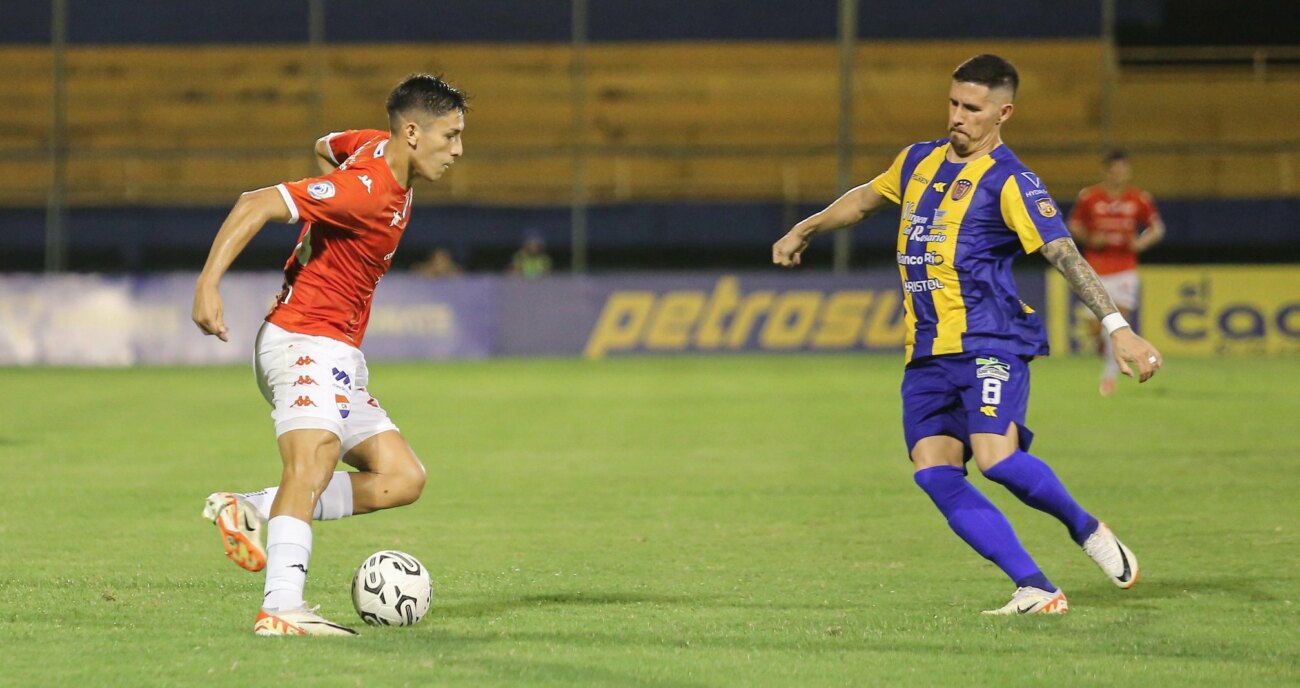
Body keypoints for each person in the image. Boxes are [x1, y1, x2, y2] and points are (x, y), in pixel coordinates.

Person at [772, 55, 1163, 615]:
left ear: (1002, 113)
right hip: (926, 351)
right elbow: (863, 199)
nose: (958, 116)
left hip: (991, 339)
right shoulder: (917, 161)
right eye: (953, 103)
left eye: (972, 109)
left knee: (996, 458)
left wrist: (1119, 329)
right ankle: (1035, 587)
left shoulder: (1012, 181)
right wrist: (803, 227)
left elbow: (1063, 252)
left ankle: (1087, 529)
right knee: (934, 473)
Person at [192, 74, 467, 636]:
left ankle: (250, 506)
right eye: (451, 135)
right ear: (413, 132)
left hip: (336, 349)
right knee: (312, 463)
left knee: (400, 477)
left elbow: (325, 145)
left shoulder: (373, 147)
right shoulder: (368, 187)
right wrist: (208, 285)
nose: (459, 150)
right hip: (304, 339)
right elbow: (257, 201)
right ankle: (282, 607)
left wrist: (328, 216)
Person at [1068, 151, 1166, 395]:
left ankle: (1109, 377)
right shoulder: (1090, 197)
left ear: (1128, 171)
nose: (1118, 174)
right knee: (1096, 329)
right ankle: (1107, 354)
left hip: (1124, 269)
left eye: (1122, 169)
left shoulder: (1138, 198)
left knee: (1118, 325)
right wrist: (1090, 237)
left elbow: (1156, 228)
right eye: (1113, 169)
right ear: (1106, 171)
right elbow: (1074, 226)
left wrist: (1141, 243)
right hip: (1094, 269)